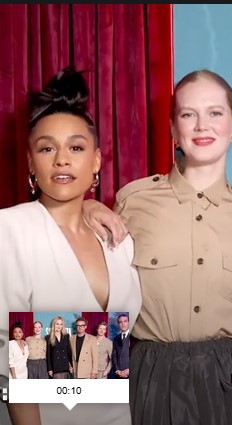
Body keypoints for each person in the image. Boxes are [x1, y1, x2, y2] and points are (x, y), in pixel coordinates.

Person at [81, 69, 232, 425]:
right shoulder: (132, 202)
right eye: (188, 114)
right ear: (172, 128)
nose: (202, 125)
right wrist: (82, 208)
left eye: (215, 113)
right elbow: (92, 291)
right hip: (152, 374)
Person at [0, 65, 141, 425]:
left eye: (76, 147)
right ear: (30, 162)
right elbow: (10, 363)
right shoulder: (10, 230)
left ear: (97, 160)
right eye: (47, 148)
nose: (62, 159)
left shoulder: (117, 239)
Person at [111, 313, 129, 379]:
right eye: (120, 322)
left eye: (125, 321)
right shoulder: (116, 339)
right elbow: (114, 356)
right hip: (118, 374)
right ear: (118, 324)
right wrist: (117, 370)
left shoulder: (135, 337)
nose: (123, 324)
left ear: (129, 322)